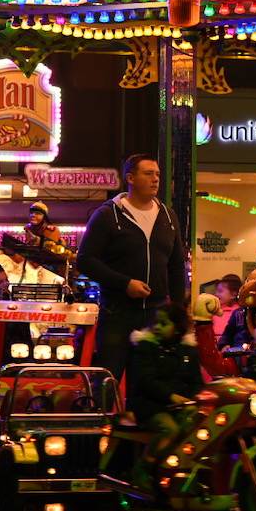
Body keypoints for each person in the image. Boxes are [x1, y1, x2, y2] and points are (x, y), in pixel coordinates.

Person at [77, 154, 188, 382]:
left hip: (156, 316)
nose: (155, 179)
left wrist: (179, 311)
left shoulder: (168, 216)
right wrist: (124, 283)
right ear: (130, 178)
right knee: (108, 379)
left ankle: (139, 419)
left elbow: (177, 265)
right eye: (148, 173)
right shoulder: (107, 215)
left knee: (149, 383)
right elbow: (85, 260)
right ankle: (104, 418)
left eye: (157, 174)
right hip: (117, 314)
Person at [126, 303, 202, 464]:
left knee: (197, 426)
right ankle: (146, 467)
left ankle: (183, 467)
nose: (157, 327)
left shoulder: (188, 351)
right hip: (150, 404)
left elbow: (196, 381)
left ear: (177, 328)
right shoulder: (146, 347)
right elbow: (146, 381)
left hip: (179, 405)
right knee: (170, 429)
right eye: (156, 323)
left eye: (163, 323)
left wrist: (192, 400)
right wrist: (171, 396)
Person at [211, 274, 241, 340]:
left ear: (233, 295)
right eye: (216, 291)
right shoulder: (213, 311)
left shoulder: (239, 312)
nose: (216, 294)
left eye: (220, 291)